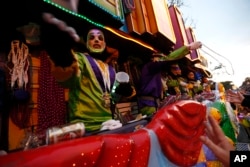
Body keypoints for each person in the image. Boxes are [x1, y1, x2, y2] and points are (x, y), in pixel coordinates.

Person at [41, 13, 135, 132]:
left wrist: (125, 91)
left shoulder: (110, 69)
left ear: (104, 45)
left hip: (109, 124)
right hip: (85, 127)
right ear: (87, 43)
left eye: (100, 38)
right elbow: (69, 79)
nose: (96, 39)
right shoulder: (80, 59)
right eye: (91, 37)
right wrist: (64, 62)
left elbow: (112, 96)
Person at [137, 41, 202, 116]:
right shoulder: (150, 67)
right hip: (148, 105)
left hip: (153, 103)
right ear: (153, 58)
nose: (160, 60)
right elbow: (167, 59)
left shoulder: (155, 72)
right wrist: (188, 47)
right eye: (159, 57)